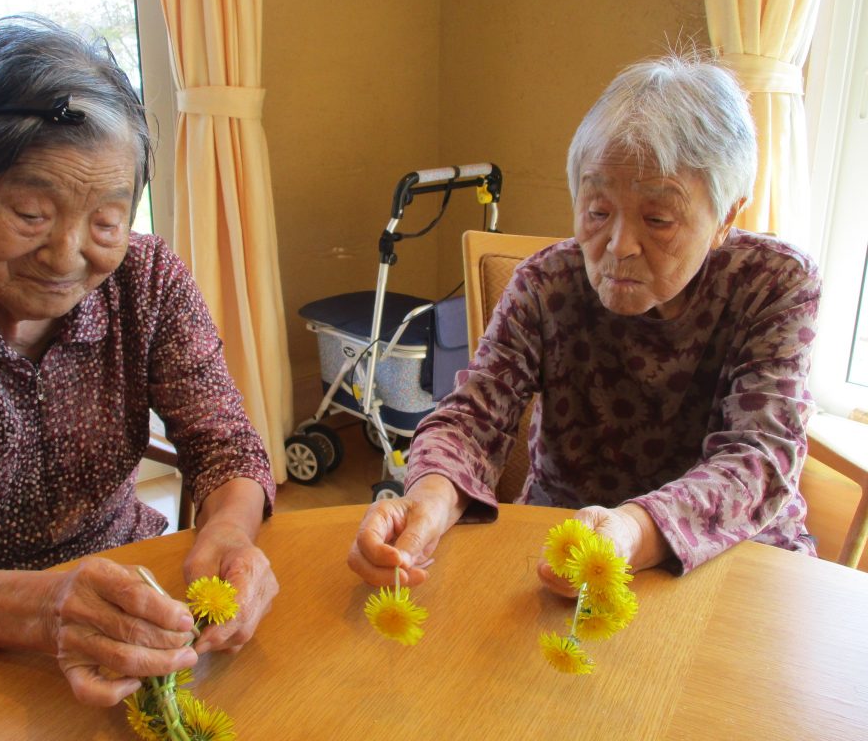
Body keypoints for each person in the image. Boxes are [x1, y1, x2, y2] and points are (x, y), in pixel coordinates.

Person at [0, 16, 278, 706]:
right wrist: (45, 608)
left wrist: (228, 537)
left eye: (105, 222)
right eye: (30, 214)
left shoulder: (149, 278)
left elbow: (226, 443)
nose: (68, 253)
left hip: (125, 595)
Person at [348, 51, 821, 597]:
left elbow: (759, 455)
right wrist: (427, 497)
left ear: (726, 218)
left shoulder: (773, 283)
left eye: (658, 219)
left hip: (730, 562)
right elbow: (473, 419)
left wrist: (632, 530)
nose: (618, 246)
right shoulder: (546, 285)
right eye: (597, 211)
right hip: (562, 556)